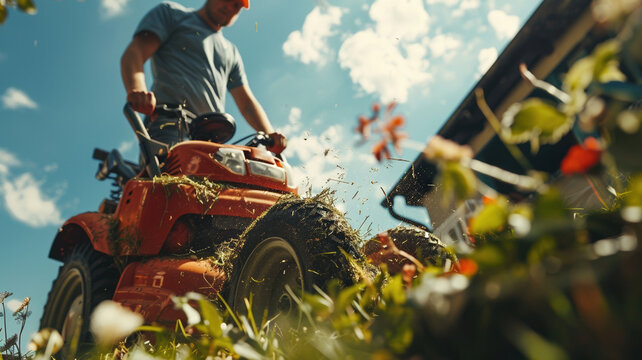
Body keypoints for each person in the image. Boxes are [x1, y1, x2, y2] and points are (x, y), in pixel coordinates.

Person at [120, 0, 286, 153]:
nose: (230, 7)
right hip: (170, 125)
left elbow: (246, 103)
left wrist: (270, 134)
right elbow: (136, 53)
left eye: (237, 5)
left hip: (213, 139)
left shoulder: (231, 52)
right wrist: (137, 90)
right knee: (171, 182)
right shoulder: (172, 14)